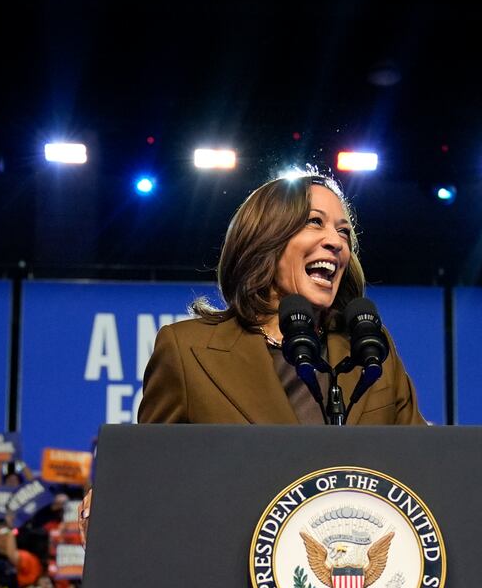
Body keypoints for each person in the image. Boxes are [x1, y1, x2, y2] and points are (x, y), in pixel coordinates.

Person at [137, 173, 425, 426]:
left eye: (343, 232)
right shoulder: (186, 351)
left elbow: (423, 466)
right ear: (265, 239)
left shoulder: (370, 350)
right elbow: (150, 470)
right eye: (315, 222)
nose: (336, 242)